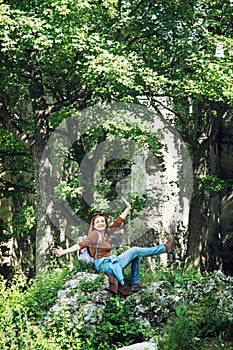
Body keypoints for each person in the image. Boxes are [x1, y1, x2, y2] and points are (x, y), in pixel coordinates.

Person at [53, 197, 173, 296]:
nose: (101, 223)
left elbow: (118, 222)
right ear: (94, 225)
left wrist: (128, 208)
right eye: (97, 222)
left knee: (136, 255)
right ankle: (163, 248)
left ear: (105, 223)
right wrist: (63, 252)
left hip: (112, 262)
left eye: (102, 221)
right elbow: (80, 245)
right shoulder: (94, 235)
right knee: (135, 250)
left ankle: (135, 282)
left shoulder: (105, 233)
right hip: (104, 264)